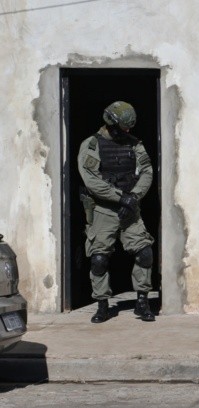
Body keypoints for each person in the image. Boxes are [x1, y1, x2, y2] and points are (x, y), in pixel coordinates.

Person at [78, 101, 156, 323]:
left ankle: (142, 302)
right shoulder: (92, 145)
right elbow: (91, 181)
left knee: (144, 252)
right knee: (99, 258)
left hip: (130, 208)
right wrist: (121, 197)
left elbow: (147, 171)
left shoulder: (135, 145)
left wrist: (133, 198)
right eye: (123, 128)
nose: (128, 132)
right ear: (111, 124)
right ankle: (102, 304)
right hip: (103, 209)